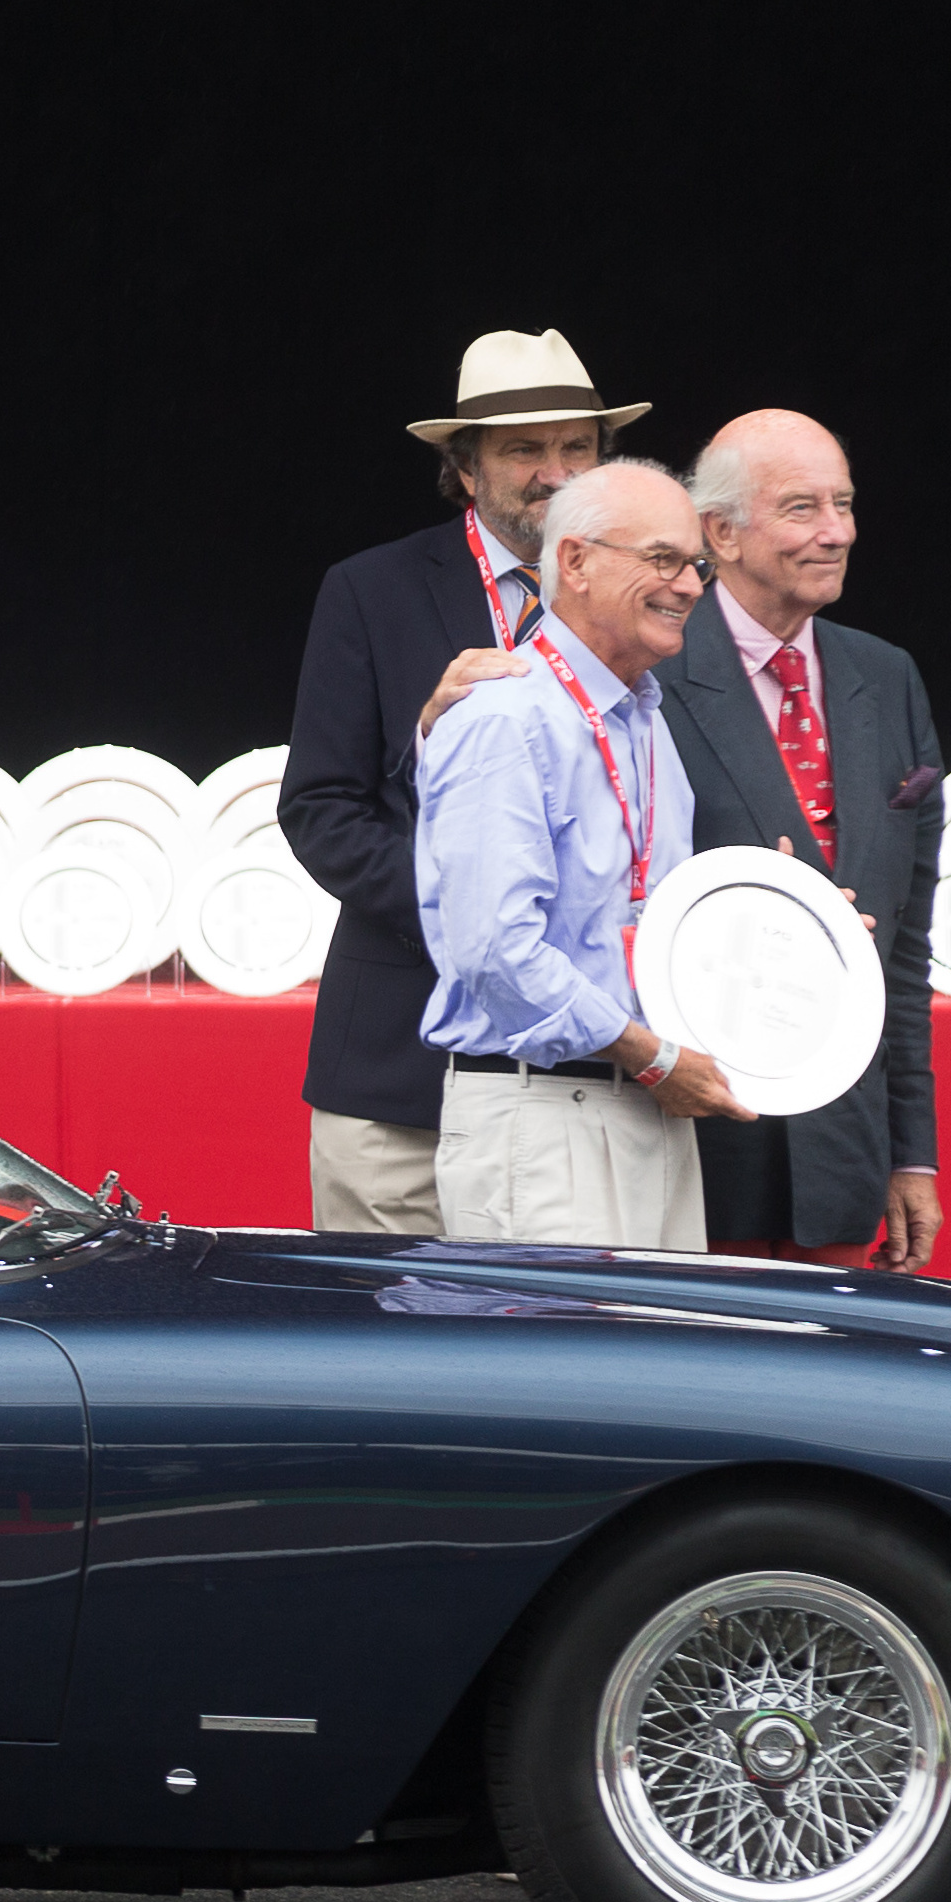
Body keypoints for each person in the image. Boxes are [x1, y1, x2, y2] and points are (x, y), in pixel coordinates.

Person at [284, 329, 646, 1232]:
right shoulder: (372, 591)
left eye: (577, 447)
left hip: (587, 1085)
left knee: (555, 1363)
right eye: (525, 449)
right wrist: (477, 912)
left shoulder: (652, 597)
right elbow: (321, 811)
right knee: (392, 1365)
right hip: (398, 1085)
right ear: (466, 467)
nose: (556, 473)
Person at [414, 458, 755, 1247]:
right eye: (663, 559)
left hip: (642, 1104)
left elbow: (649, 922)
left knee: (657, 1371)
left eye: (698, 565)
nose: (691, 585)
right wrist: (656, 1060)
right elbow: (498, 953)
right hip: (544, 1118)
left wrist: (773, 925)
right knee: (561, 1373)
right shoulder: (505, 717)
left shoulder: (645, 720)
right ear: (575, 562)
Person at [674, 410, 947, 1270]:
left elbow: (905, 952)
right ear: (720, 532)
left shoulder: (887, 676)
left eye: (845, 503)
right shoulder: (650, 668)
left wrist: (910, 1152)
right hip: (695, 1155)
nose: (837, 532)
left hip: (841, 1163)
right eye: (802, 508)